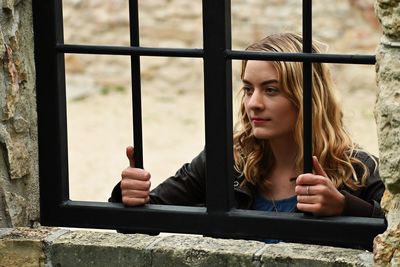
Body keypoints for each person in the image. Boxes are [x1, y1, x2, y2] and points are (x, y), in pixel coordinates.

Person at [109, 33, 385, 219]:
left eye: (271, 90)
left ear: (307, 98)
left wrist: (344, 206)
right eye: (248, 88)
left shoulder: (357, 169)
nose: (253, 103)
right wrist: (129, 195)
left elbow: (392, 236)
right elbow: (142, 219)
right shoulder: (226, 161)